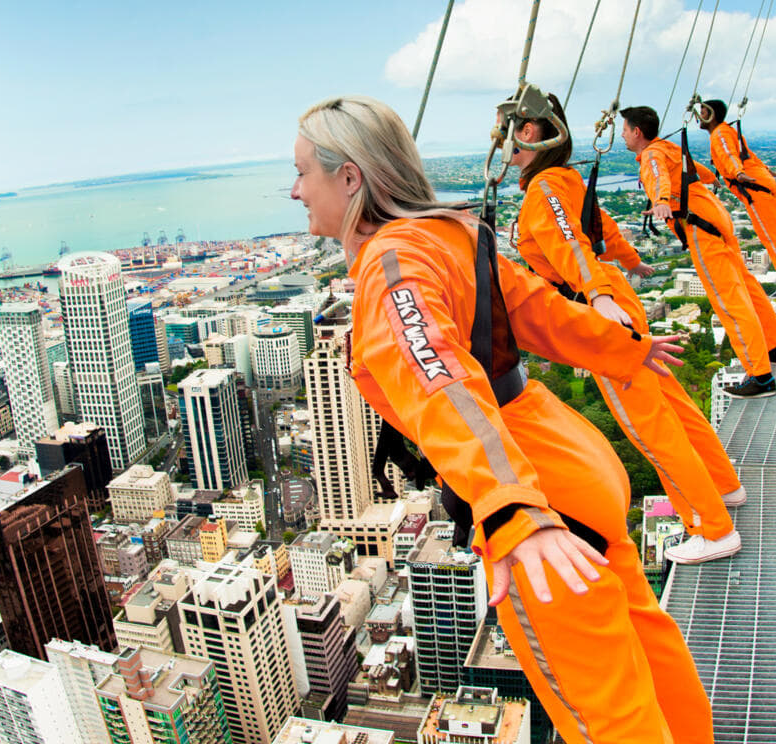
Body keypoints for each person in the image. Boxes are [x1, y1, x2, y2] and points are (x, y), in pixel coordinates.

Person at [292, 94, 714, 744]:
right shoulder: (452, 231)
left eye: (302, 173)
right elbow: (542, 309)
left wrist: (514, 508)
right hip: (570, 460)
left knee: (607, 719)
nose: (295, 191)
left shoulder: (391, 262)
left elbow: (442, 380)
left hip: (537, 495)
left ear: (349, 177)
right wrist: (627, 349)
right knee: (648, 651)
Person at [504, 91, 747, 564]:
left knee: (648, 426)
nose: (502, 144)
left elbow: (570, 243)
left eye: (506, 133)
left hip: (600, 310)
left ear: (528, 132)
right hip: (616, 295)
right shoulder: (566, 179)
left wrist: (596, 294)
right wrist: (629, 265)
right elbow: (600, 228)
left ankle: (711, 527)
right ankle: (723, 485)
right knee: (674, 405)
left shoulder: (543, 190)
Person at [622, 104, 776, 399]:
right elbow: (704, 175)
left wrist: (661, 200)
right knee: (747, 287)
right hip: (714, 217)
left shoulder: (651, 154)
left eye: (624, 130)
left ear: (637, 132)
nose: (622, 136)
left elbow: (658, 174)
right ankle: (775, 347)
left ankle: (760, 376)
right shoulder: (670, 148)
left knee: (729, 300)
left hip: (700, 228)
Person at [698, 99, 776, 316]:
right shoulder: (729, 131)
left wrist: (738, 174)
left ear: (711, 114)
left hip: (754, 190)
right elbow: (748, 155)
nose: (699, 114)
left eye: (703, 110)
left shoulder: (720, 135)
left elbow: (730, 156)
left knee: (775, 243)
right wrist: (766, 170)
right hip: (762, 184)